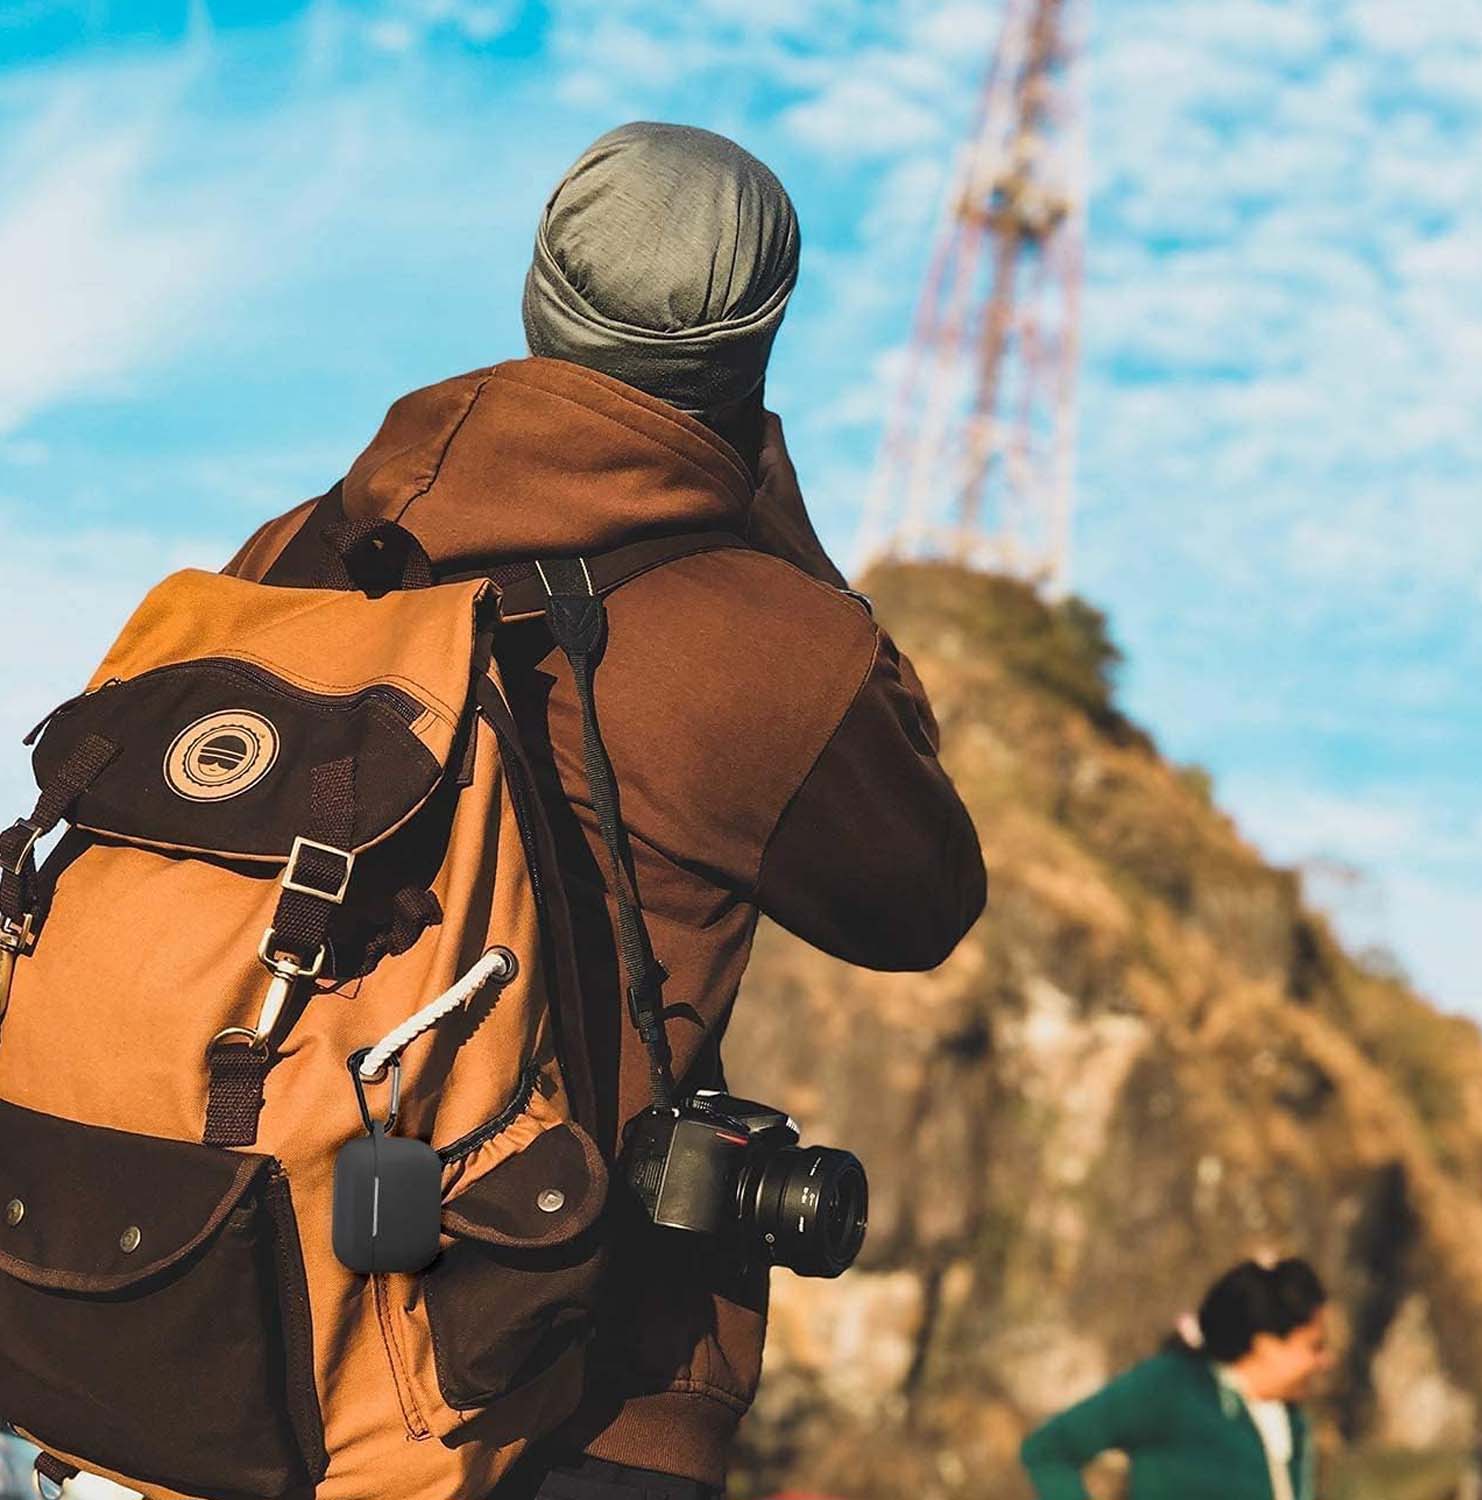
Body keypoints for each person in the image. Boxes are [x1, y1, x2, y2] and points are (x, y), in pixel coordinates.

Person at [224, 121, 987, 1500]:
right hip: (564, 1400)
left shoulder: (290, 554)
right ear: (753, 353)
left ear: (535, 301)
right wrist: (792, 549)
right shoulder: (761, 646)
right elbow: (924, 897)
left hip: (223, 1335)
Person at [1019, 1257, 1335, 1500]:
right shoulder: (1172, 1387)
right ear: (1264, 1344)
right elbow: (1048, 1450)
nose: (1325, 1360)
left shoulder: (1292, 1425)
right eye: (1314, 1346)